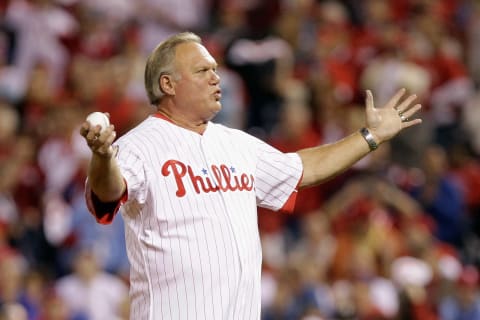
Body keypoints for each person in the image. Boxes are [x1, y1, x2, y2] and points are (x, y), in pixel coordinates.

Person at [79, 32, 422, 320]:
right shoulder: (138, 146)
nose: (216, 77)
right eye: (202, 70)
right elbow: (108, 191)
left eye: (215, 69)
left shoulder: (236, 143)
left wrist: (370, 137)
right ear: (167, 83)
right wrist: (103, 156)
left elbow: (307, 168)